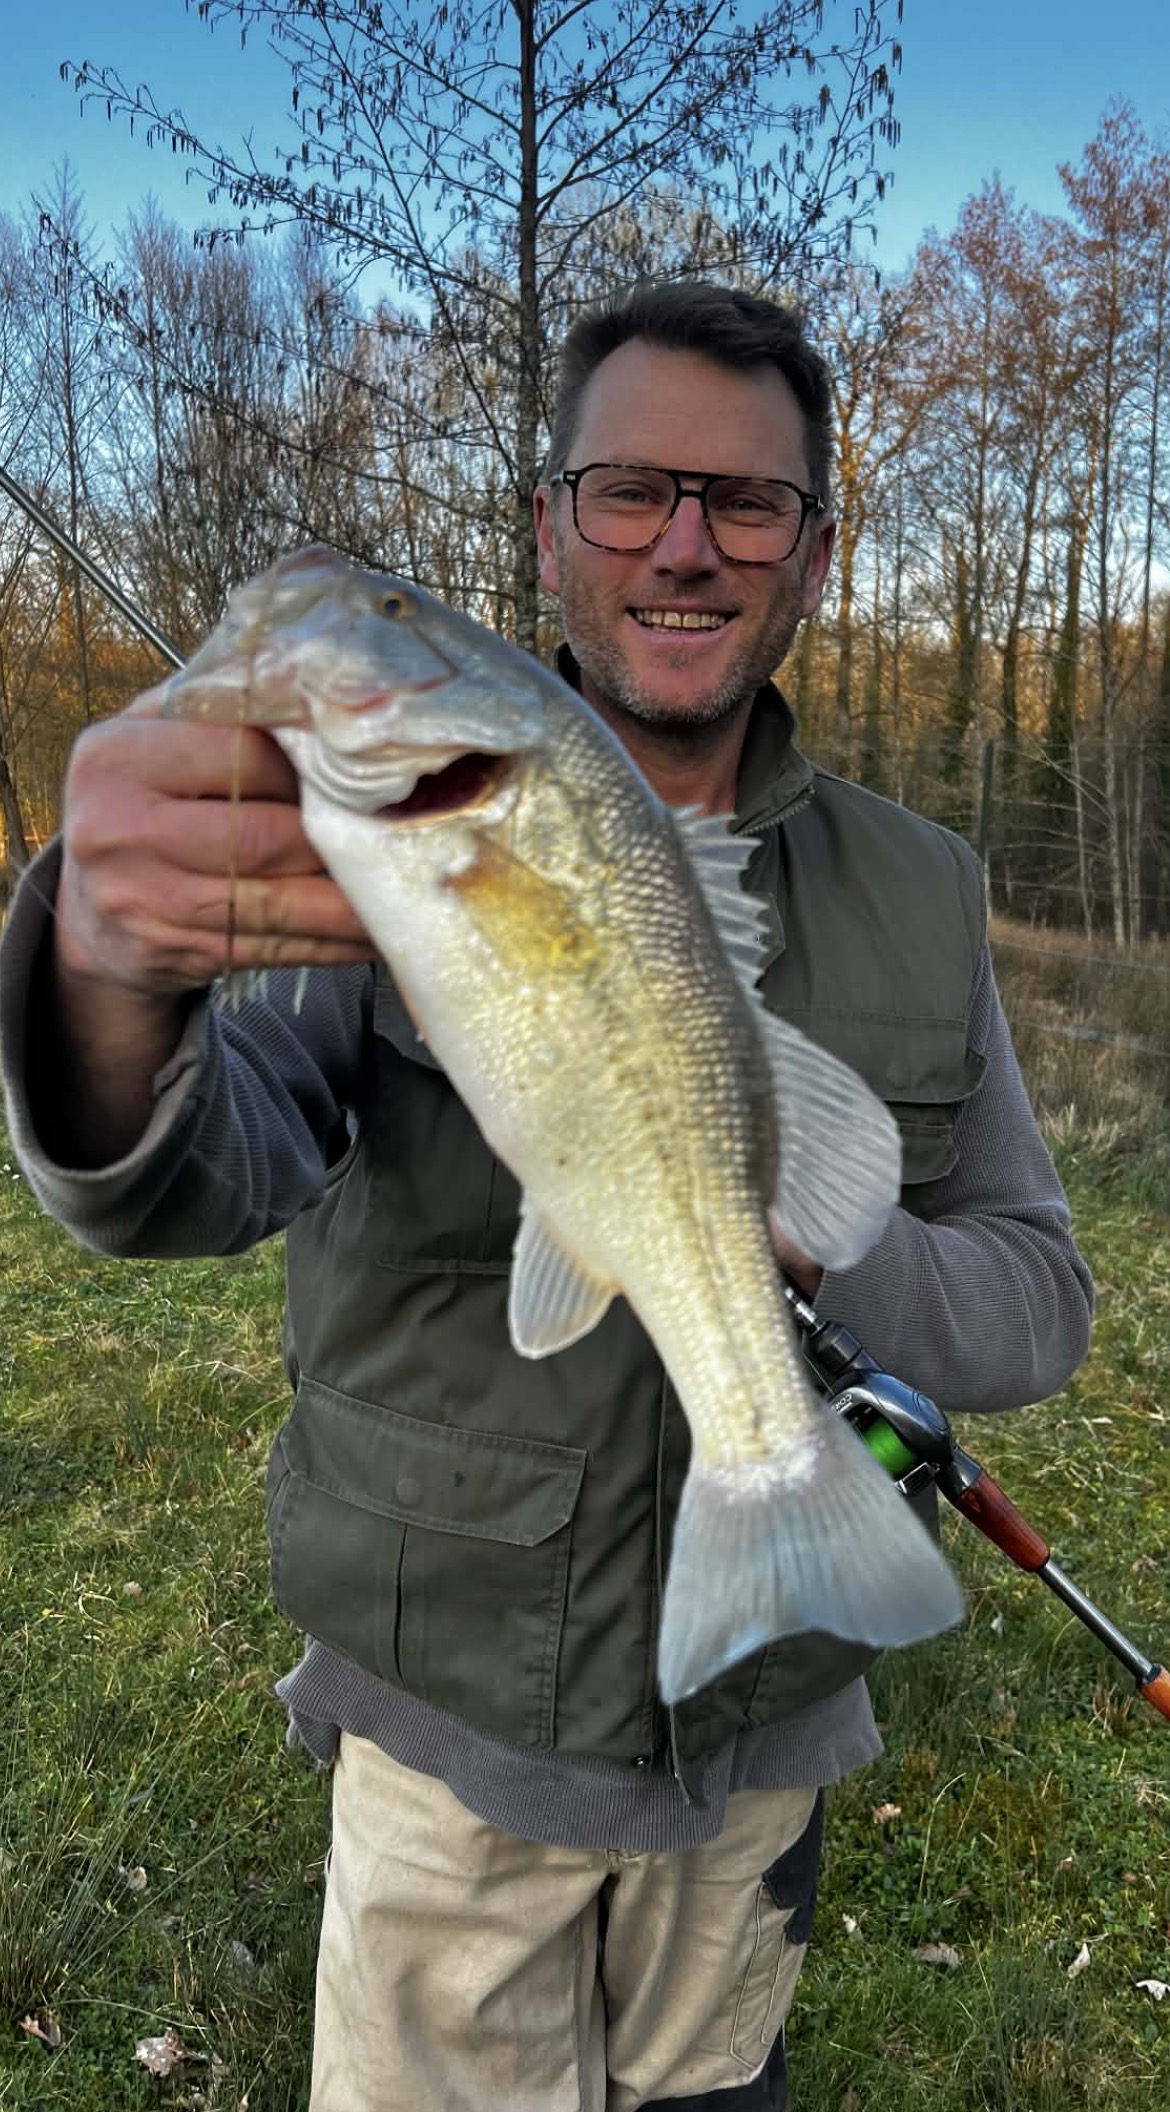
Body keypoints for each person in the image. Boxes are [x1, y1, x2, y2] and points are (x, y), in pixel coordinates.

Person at [0, 282, 1093, 2111]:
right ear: (546, 526)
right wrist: (104, 968)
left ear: (814, 555)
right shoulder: (364, 852)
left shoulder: (929, 889)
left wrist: (802, 1216)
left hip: (759, 1751)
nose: (684, 545)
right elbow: (184, 1179)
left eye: (746, 503)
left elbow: (1036, 1297)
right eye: (628, 491)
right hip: (450, 1752)